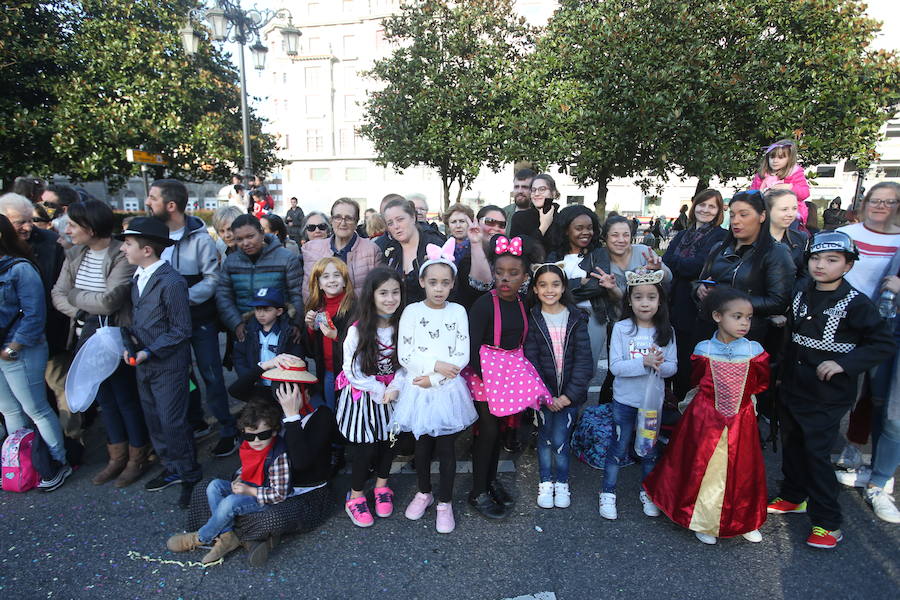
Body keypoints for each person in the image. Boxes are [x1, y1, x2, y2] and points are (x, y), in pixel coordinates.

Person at [767, 231, 895, 549]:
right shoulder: (801, 293)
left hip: (827, 396)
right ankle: (794, 496)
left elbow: (883, 343)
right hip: (793, 387)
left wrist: (845, 364)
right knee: (793, 444)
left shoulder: (858, 304)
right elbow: (793, 340)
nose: (821, 265)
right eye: (815, 258)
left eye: (832, 259)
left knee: (816, 454)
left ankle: (828, 523)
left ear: (849, 265)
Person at [644, 287, 769, 545]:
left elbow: (760, 382)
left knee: (742, 469)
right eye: (737, 316)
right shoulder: (704, 349)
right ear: (717, 317)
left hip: (740, 417)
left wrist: (745, 405)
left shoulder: (755, 350)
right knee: (697, 463)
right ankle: (702, 517)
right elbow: (698, 379)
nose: (745, 323)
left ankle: (744, 517)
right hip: (705, 416)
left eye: (748, 317)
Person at [51, 200, 150, 487]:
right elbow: (57, 293)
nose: (67, 230)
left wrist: (75, 297)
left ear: (91, 228)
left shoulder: (120, 255)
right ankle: (116, 456)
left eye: (73, 225)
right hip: (84, 333)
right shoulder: (75, 254)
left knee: (124, 397)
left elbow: (109, 302)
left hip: (113, 335)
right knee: (103, 397)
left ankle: (136, 456)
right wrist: (81, 310)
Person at [390, 240, 476, 533]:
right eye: (433, 282)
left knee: (447, 449)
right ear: (422, 282)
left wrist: (437, 377)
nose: (438, 288)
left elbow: (461, 356)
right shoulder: (412, 312)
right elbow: (405, 354)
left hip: (446, 389)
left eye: (445, 283)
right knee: (422, 447)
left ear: (452, 284)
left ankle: (445, 502)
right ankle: (424, 492)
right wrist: (434, 366)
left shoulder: (457, 312)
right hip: (418, 387)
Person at [146, 179, 236, 457]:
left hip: (199, 320)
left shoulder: (199, 238)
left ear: (170, 205)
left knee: (211, 374)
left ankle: (227, 429)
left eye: (152, 197)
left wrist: (177, 298)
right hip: (167, 324)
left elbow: (212, 280)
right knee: (183, 375)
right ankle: (196, 419)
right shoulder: (151, 236)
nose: (147, 202)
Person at [117, 216, 201, 508]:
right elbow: (136, 320)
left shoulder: (172, 282)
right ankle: (172, 467)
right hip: (143, 364)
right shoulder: (137, 278)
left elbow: (181, 330)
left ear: (147, 250)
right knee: (153, 418)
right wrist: (129, 344)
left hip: (167, 365)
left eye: (128, 244)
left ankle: (189, 474)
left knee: (172, 421)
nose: (123, 249)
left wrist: (150, 351)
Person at [464, 234, 546, 519]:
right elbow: (471, 347)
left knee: (499, 431)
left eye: (513, 274)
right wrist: (486, 377)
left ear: (525, 276)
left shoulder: (523, 302)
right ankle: (477, 491)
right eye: (499, 273)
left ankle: (489, 480)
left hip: (508, 370)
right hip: (484, 373)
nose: (505, 279)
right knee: (487, 432)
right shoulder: (484, 305)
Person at [166, 400, 291, 564]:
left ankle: (200, 537)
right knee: (214, 486)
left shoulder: (278, 455)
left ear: (274, 432)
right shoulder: (249, 446)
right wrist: (239, 478)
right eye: (250, 436)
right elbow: (246, 468)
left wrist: (249, 491)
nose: (256, 441)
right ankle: (227, 536)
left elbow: (280, 494)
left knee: (231, 502)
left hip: (264, 497)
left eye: (263, 435)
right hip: (249, 487)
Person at [0, 213, 71, 491]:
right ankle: (20, 463)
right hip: (5, 350)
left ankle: (57, 462)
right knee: (9, 411)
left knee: (36, 408)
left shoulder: (20, 268)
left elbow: (34, 314)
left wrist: (13, 347)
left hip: (21, 349)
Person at [600, 270, 676, 522]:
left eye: (651, 297)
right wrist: (644, 362)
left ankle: (648, 492)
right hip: (625, 401)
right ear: (629, 301)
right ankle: (608, 492)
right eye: (639, 297)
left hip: (652, 404)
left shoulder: (667, 331)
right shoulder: (622, 329)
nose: (645, 303)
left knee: (649, 449)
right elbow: (616, 367)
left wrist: (659, 365)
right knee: (618, 446)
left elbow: (672, 368)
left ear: (660, 301)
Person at [335, 268, 407, 527]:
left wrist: (396, 385)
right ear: (371, 296)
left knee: (390, 443)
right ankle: (355, 496)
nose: (390, 298)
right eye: (383, 293)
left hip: (394, 394)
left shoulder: (404, 326)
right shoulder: (358, 331)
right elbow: (351, 370)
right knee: (366, 448)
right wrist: (379, 390)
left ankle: (381, 486)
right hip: (365, 395)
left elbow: (407, 363)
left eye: (395, 292)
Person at [835, 182, 900, 468]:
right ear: (865, 203)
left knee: (876, 394)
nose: (881, 206)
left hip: (885, 324)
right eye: (876, 200)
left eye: (890, 202)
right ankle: (840, 446)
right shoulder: (846, 234)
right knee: (839, 386)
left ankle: (863, 451)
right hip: (843, 320)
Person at [523, 263, 592, 509]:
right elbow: (530, 361)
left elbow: (584, 362)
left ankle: (562, 482)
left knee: (562, 438)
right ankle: (545, 481)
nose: (549, 290)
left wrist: (568, 396)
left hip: (570, 397)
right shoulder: (531, 318)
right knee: (545, 438)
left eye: (555, 284)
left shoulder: (576, 317)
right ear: (535, 288)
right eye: (543, 285)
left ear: (564, 287)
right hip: (544, 397)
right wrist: (546, 396)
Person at [696, 190, 795, 343]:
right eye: (733, 215)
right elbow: (699, 281)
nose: (735, 221)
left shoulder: (776, 252)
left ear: (762, 216)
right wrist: (699, 289)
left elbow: (778, 302)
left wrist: (731, 301)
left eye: (743, 215)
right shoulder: (719, 248)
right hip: (710, 332)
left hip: (749, 337)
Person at [547, 205, 619, 401]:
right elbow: (549, 290)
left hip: (593, 316)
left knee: (588, 367)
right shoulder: (554, 256)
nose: (586, 232)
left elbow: (598, 286)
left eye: (590, 227)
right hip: (561, 318)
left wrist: (565, 285)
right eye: (579, 228)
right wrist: (581, 281)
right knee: (561, 367)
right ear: (566, 230)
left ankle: (578, 414)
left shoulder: (599, 254)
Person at [662, 189, 727, 400]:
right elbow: (667, 261)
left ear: (719, 211)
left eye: (712, 206)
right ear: (694, 205)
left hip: (694, 307)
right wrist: (678, 266)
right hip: (672, 304)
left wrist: (676, 266)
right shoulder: (683, 234)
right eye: (702, 204)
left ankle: (684, 411)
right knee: (667, 360)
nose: (705, 210)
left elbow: (696, 266)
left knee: (687, 365)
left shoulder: (720, 236)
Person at [217, 214, 303, 351]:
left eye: (250, 236)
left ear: (262, 233)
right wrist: (236, 323)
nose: (245, 243)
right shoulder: (231, 262)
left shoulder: (286, 258)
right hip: (245, 332)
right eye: (239, 239)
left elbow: (296, 294)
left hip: (281, 331)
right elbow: (223, 297)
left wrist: (296, 324)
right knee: (248, 371)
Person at [301, 198, 382, 302]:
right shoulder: (312, 249)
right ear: (331, 220)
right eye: (338, 217)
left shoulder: (372, 250)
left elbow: (377, 290)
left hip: (360, 315)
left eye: (348, 218)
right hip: (323, 316)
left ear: (356, 222)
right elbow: (309, 291)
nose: (343, 223)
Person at [303, 257, 355, 411]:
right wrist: (311, 328)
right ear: (318, 284)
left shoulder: (354, 308)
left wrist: (336, 336)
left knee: (347, 411)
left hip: (349, 373)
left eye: (337, 275)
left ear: (345, 281)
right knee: (331, 409)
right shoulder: (316, 308)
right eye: (325, 276)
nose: (331, 280)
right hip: (327, 371)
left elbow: (361, 343)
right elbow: (310, 350)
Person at [601, 215, 672, 316]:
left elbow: (669, 278)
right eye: (615, 235)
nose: (621, 240)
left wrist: (660, 269)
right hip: (616, 319)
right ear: (605, 237)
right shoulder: (600, 259)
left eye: (626, 235)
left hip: (648, 318)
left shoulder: (643, 252)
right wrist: (612, 289)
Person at [379, 198, 445, 305]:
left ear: (413, 217)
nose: (396, 226)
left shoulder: (434, 245)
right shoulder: (389, 251)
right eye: (390, 223)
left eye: (400, 219)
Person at [232, 287, 304, 382]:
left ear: (279, 311)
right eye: (257, 309)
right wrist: (247, 378)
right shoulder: (248, 331)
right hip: (255, 384)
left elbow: (297, 359)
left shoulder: (289, 333)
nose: (261, 314)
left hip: (281, 385)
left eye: (266, 309)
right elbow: (239, 357)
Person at [750, 139, 811, 226]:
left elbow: (805, 193)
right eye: (772, 157)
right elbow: (752, 194)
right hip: (766, 214)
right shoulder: (761, 175)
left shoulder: (794, 173)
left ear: (789, 159)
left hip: (789, 216)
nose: (775, 160)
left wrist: (790, 187)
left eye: (780, 157)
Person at [766, 188, 810, 283]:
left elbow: (805, 275)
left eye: (794, 208)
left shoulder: (801, 238)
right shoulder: (752, 238)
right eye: (784, 209)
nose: (790, 214)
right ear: (768, 210)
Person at [510, 173, 559, 246]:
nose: (536, 193)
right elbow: (520, 250)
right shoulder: (519, 218)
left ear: (553, 193)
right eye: (533, 190)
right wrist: (543, 227)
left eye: (542, 189)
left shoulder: (562, 219)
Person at [502, 168, 536, 235]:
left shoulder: (543, 215)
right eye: (516, 187)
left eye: (525, 187)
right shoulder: (503, 214)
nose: (520, 191)